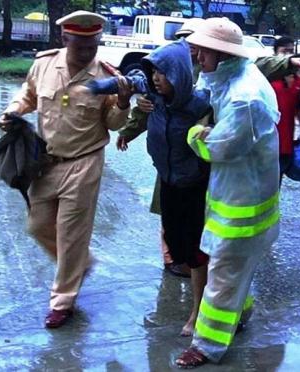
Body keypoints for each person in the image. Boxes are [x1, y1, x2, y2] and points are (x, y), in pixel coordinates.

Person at [0, 10, 132, 329]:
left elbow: (112, 124)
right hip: (45, 162)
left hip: (84, 163)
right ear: (65, 39)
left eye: (93, 46)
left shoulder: (106, 76)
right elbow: (28, 96)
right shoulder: (44, 64)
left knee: (71, 235)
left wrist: (124, 103)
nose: (87, 53)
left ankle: (62, 301)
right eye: (80, 46)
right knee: (38, 226)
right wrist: (13, 112)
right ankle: (80, 264)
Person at [175, 18, 281, 368]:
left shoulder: (244, 98)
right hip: (240, 196)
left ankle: (206, 345)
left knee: (223, 273)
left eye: (203, 51)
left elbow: (216, 148)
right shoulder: (234, 78)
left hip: (242, 208)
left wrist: (194, 134)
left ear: (221, 54)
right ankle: (241, 314)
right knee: (235, 271)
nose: (198, 56)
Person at [90, 37, 211, 337]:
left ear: (180, 74)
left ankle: (198, 312)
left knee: (196, 252)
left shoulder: (199, 105)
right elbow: (140, 109)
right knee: (174, 242)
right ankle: (201, 286)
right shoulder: (153, 99)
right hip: (167, 180)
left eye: (163, 72)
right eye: (153, 71)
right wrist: (128, 132)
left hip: (194, 185)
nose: (156, 78)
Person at [116, 18, 206, 279]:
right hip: (167, 165)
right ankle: (174, 258)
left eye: (192, 40)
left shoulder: (208, 76)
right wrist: (130, 130)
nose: (187, 44)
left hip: (191, 170)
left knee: (191, 225)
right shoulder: (166, 68)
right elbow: (147, 107)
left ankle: (189, 261)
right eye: (183, 38)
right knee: (169, 216)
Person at [270, 36, 300, 184]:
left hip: (286, 143)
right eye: (284, 51)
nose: (288, 55)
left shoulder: (299, 81)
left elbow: (298, 108)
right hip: (267, 143)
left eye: (291, 51)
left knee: (277, 185)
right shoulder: (269, 78)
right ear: (275, 54)